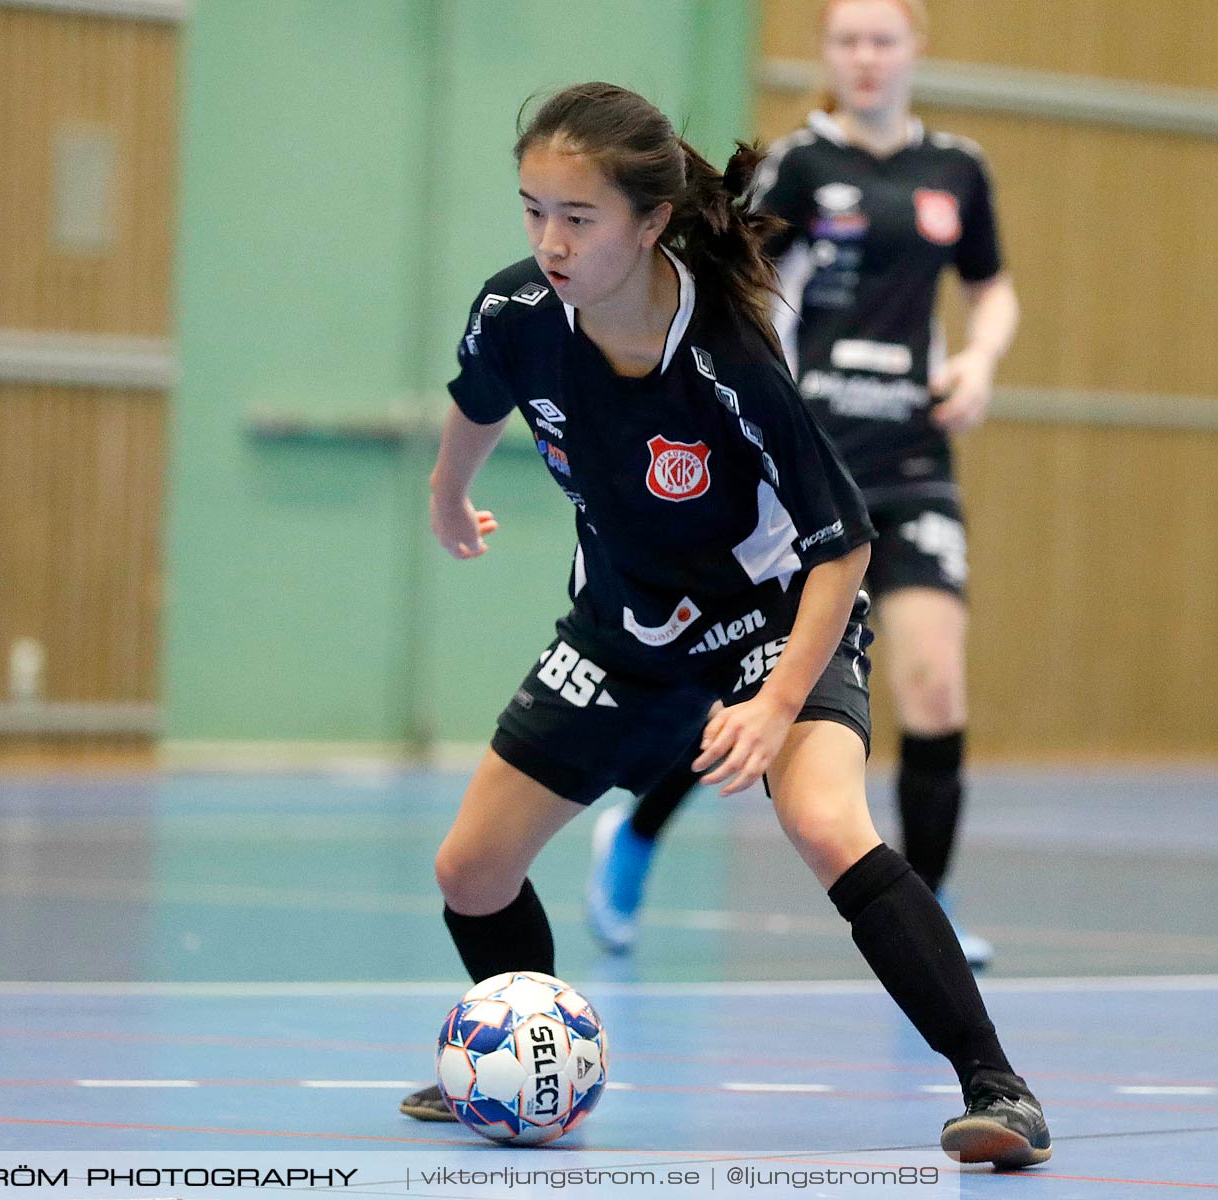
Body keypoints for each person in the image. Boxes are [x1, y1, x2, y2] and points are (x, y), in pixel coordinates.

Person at [397, 81, 1049, 1168]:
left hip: (773, 619)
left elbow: (842, 544)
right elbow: (476, 397)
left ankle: (999, 1089)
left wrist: (775, 701)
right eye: (532, 211)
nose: (549, 241)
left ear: (649, 222)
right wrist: (443, 496)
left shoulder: (726, 354)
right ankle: (533, 1053)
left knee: (825, 825)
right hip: (627, 632)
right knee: (470, 871)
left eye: (578, 217)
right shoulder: (515, 312)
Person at [587, 0, 1018, 969]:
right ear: (828, 54)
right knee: (753, 687)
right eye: (847, 41)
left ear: (913, 48)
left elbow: (990, 286)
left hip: (910, 462)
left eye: (883, 39)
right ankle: (637, 835)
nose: (865, 57)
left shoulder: (954, 170)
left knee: (933, 681)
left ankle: (929, 900)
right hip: (804, 469)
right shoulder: (798, 166)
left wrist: (979, 359)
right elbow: (723, 281)